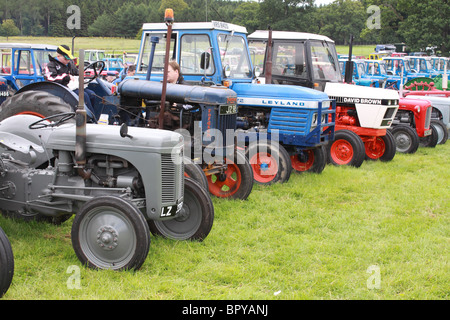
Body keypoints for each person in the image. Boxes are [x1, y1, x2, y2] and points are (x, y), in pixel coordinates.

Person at [44, 44, 97, 120]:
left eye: (69, 58)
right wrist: (66, 77)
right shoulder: (51, 65)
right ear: (58, 56)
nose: (68, 60)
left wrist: (85, 77)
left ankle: (94, 115)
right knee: (84, 96)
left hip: (73, 87)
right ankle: (89, 119)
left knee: (92, 94)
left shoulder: (70, 64)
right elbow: (50, 78)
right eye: (66, 58)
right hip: (61, 89)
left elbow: (76, 73)